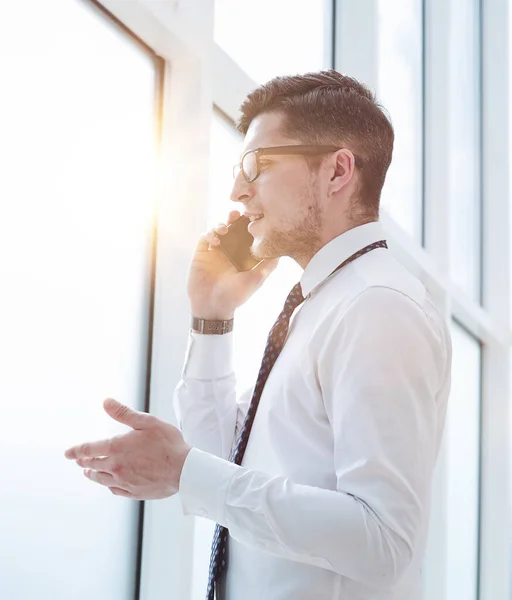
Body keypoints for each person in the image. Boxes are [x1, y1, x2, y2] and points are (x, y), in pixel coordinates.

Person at [65, 70, 452, 600]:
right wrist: (212, 317)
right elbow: (220, 463)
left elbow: (383, 542)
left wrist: (188, 473)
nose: (237, 191)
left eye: (256, 165)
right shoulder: (322, 307)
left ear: (337, 171)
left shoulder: (377, 307)